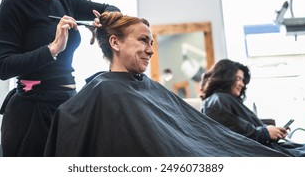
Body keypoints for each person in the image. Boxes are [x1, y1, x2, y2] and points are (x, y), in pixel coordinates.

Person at [44, 12, 287, 157]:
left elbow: (193, 132)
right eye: (143, 40)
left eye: (152, 42)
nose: (150, 50)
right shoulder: (106, 91)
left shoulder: (144, 86)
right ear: (115, 42)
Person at [0, 0, 120, 157]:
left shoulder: (65, 1)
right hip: (31, 112)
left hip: (67, 104)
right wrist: (52, 49)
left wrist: (103, 22)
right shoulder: (14, 4)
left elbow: (110, 9)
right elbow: (2, 66)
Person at [200, 59, 305, 157]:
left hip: (265, 146)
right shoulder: (217, 101)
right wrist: (265, 133)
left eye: (243, 80)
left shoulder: (225, 100)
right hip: (258, 151)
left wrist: (272, 131)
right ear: (225, 77)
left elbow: (242, 127)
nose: (242, 84)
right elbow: (233, 131)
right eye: (238, 79)